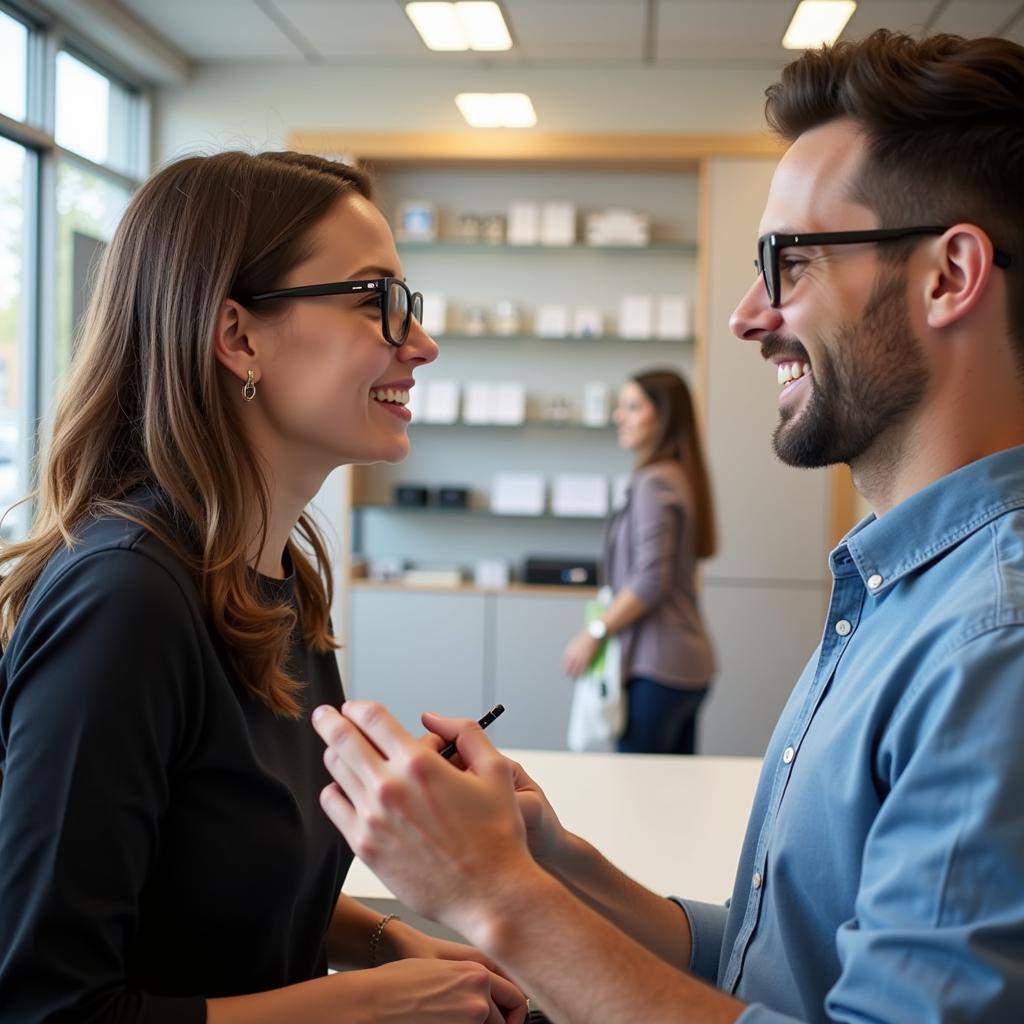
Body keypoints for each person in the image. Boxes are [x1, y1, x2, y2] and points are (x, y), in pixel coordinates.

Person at [313, 29, 1024, 1024]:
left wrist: (492, 896)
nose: (746, 313)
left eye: (789, 261)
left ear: (948, 276)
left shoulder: (994, 639)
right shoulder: (904, 593)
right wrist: (548, 863)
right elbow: (779, 953)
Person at [0, 150, 527, 1023]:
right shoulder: (123, 602)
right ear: (239, 336)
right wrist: (361, 1006)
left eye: (410, 304)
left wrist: (380, 941)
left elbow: (211, 874)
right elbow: (47, 1010)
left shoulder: (277, 579)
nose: (420, 344)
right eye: (375, 300)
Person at [562, 369, 716, 754]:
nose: (619, 417)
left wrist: (594, 633)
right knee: (671, 796)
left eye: (632, 407)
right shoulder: (680, 475)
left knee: (636, 796)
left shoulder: (655, 482)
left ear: (662, 417)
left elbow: (651, 579)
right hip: (686, 667)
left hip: (657, 668)